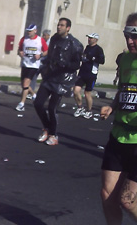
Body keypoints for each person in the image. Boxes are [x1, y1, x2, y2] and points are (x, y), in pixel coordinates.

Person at [97, 13, 137, 225]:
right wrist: (112, 106)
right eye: (127, 35)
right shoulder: (124, 60)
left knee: (127, 200)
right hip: (118, 135)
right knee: (108, 194)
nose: (130, 40)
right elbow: (124, 89)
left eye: (135, 35)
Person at [33, 18, 83, 146]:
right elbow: (50, 56)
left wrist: (65, 64)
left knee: (52, 107)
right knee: (38, 103)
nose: (59, 27)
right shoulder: (54, 39)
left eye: (62, 25)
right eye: (58, 24)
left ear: (68, 28)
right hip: (50, 76)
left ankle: (53, 135)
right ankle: (47, 128)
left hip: (63, 80)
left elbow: (76, 64)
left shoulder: (74, 44)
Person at [15, 24, 48, 112]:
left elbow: (46, 51)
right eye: (28, 31)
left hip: (34, 66)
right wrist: (20, 53)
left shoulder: (40, 40)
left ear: (35, 31)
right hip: (25, 64)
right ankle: (34, 94)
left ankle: (22, 104)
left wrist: (40, 55)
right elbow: (19, 49)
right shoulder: (24, 39)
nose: (29, 32)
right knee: (24, 84)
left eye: (30, 31)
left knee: (26, 83)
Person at [73, 33, 105, 119]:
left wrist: (93, 58)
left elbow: (102, 60)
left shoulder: (98, 49)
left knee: (87, 93)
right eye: (89, 38)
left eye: (91, 38)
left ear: (96, 40)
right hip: (82, 72)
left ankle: (89, 110)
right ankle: (80, 107)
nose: (89, 39)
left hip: (91, 74)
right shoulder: (86, 48)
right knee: (76, 90)